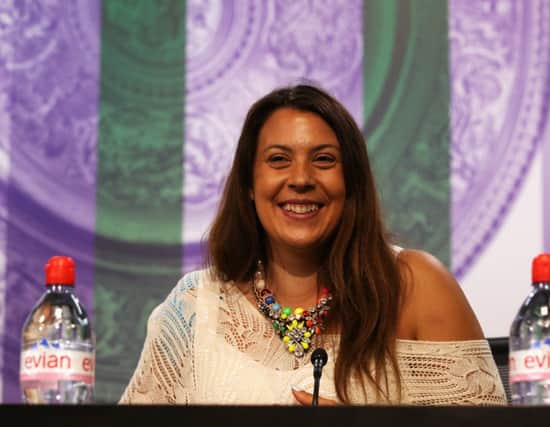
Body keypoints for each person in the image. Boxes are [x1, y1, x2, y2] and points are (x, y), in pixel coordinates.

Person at [119, 84, 507, 405]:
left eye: (323, 160)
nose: (301, 178)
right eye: (278, 159)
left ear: (350, 183)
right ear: (250, 186)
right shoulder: (194, 306)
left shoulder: (415, 287)